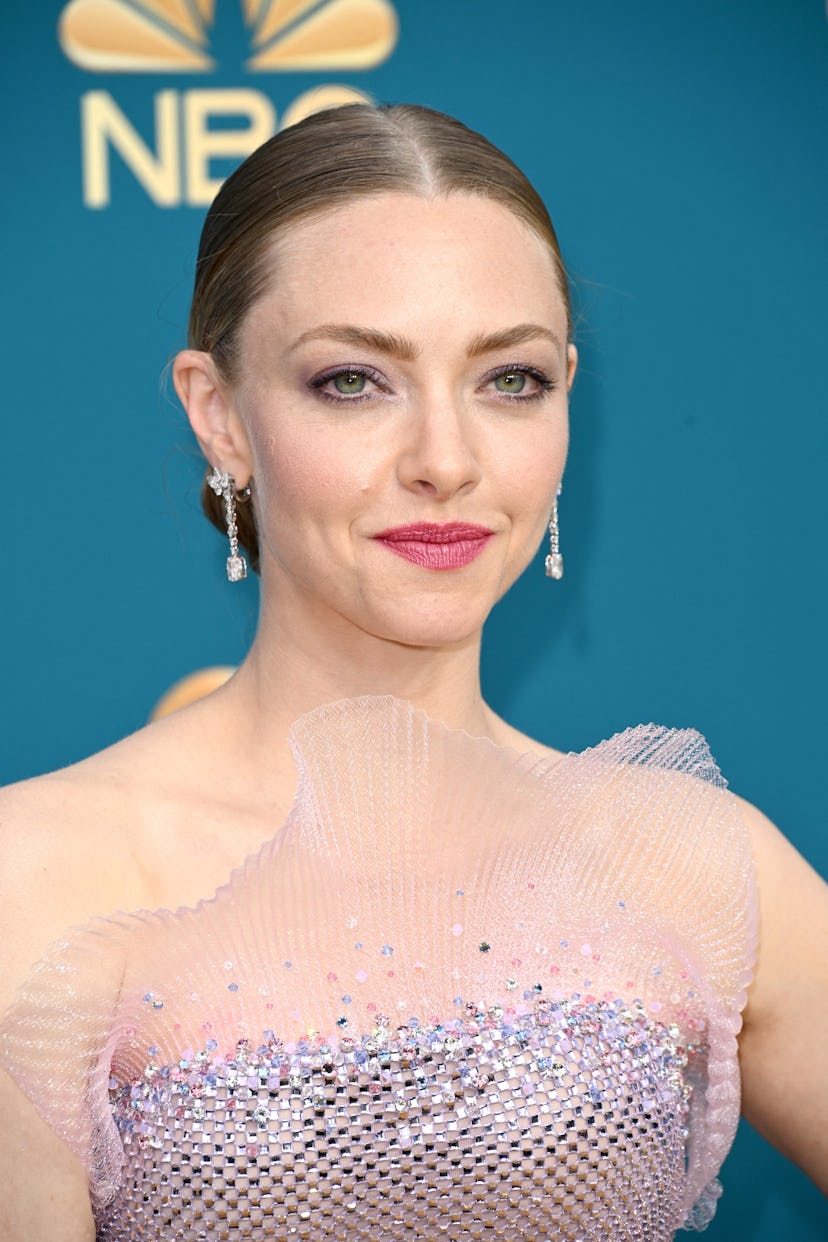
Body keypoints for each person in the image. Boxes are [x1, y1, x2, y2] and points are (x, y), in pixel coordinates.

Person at [0, 103, 825, 1242]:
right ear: (219, 417)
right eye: (352, 381)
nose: (446, 460)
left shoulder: (693, 864)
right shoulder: (32, 888)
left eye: (512, 381)